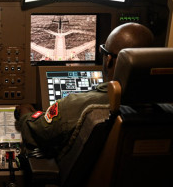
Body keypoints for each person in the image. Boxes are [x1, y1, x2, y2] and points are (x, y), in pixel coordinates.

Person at [15, 22, 154, 157]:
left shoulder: (75, 106)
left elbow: (34, 131)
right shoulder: (165, 107)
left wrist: (25, 112)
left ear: (108, 60)